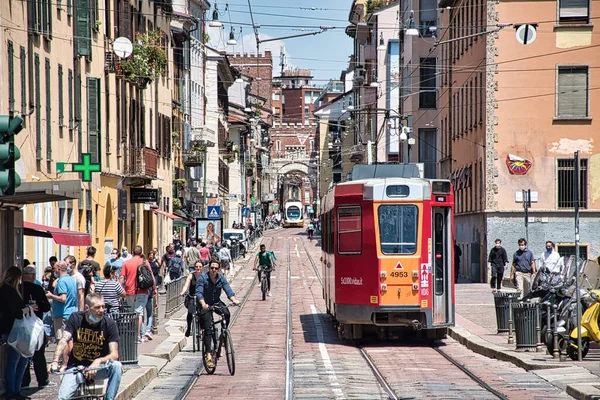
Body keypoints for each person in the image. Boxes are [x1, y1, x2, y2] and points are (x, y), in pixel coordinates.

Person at [50, 293, 123, 400]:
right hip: (76, 367)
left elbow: (114, 354)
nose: (101, 310)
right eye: (97, 307)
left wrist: (97, 361)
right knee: (63, 397)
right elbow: (64, 340)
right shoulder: (76, 318)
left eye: (103, 306)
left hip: (98, 368)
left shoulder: (109, 323)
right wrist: (55, 361)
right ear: (87, 308)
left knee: (116, 366)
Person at [0, 267, 38, 400]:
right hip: (12, 330)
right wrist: (29, 308)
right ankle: (13, 391)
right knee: (15, 361)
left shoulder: (7, 290)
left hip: (11, 329)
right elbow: (15, 312)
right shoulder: (9, 291)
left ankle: (15, 390)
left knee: (19, 360)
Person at [195, 260, 240, 368]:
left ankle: (223, 336)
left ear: (218, 269)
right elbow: (199, 293)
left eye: (216, 268)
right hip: (204, 304)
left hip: (216, 302)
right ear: (209, 268)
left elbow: (227, 289)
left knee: (226, 313)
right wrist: (203, 304)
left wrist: (234, 300)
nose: (214, 270)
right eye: (212, 268)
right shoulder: (203, 278)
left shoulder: (221, 277)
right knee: (208, 328)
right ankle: (209, 355)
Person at [21, 266, 52, 389]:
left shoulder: (19, 288)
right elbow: (46, 307)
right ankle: (42, 380)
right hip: (36, 325)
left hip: (21, 325)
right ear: (33, 276)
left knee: (23, 353)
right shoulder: (37, 289)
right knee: (38, 354)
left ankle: (24, 381)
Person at [119, 246, 156, 343]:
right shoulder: (145, 262)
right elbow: (151, 277)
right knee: (139, 313)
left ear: (132, 252)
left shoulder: (126, 263)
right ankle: (138, 335)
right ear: (141, 253)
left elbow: (121, 278)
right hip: (142, 291)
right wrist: (154, 289)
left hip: (129, 291)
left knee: (131, 313)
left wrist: (119, 291)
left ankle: (131, 334)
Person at [46, 261, 78, 370]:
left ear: (59, 269)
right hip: (71, 312)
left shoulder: (62, 281)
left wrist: (51, 296)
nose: (53, 270)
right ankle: (71, 362)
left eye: (54, 268)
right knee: (70, 340)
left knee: (62, 340)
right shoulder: (71, 279)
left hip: (62, 314)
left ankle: (64, 364)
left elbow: (63, 298)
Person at [179, 260, 204, 337]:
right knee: (190, 312)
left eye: (200, 267)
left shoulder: (204, 276)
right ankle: (189, 327)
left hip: (201, 297)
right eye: (196, 267)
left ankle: (202, 329)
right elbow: (186, 285)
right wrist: (183, 292)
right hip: (192, 297)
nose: (198, 268)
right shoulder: (191, 275)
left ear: (202, 268)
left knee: (203, 313)